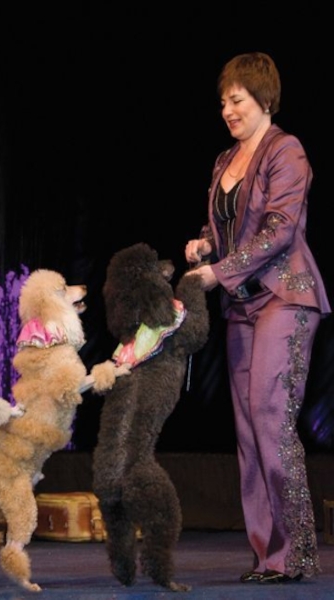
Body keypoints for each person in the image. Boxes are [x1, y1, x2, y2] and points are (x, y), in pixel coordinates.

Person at [184, 51, 330, 585]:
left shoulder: (286, 150)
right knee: (248, 429)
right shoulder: (224, 160)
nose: (228, 110)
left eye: (237, 100)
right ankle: (267, 553)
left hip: (284, 297)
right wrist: (205, 244)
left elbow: (279, 230)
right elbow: (225, 224)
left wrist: (218, 271)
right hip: (241, 305)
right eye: (223, 101)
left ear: (263, 99)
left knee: (270, 416)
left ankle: (296, 553)